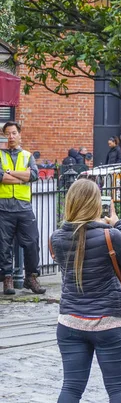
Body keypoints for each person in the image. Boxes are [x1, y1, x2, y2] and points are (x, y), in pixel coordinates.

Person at [50, 178, 121, 402]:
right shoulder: (111, 235)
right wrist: (119, 225)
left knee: (71, 388)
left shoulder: (56, 238)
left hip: (70, 322)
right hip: (108, 322)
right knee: (118, 391)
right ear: (96, 204)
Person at [0, 121, 46, 295]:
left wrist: (10, 173)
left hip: (24, 207)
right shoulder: (0, 155)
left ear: (19, 134)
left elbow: (33, 175)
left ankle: (31, 277)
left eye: (14, 133)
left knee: (32, 242)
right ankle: (7, 278)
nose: (11, 137)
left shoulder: (27, 155)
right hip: (3, 206)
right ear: (5, 136)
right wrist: (21, 177)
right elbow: (0, 176)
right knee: (3, 246)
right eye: (8, 134)